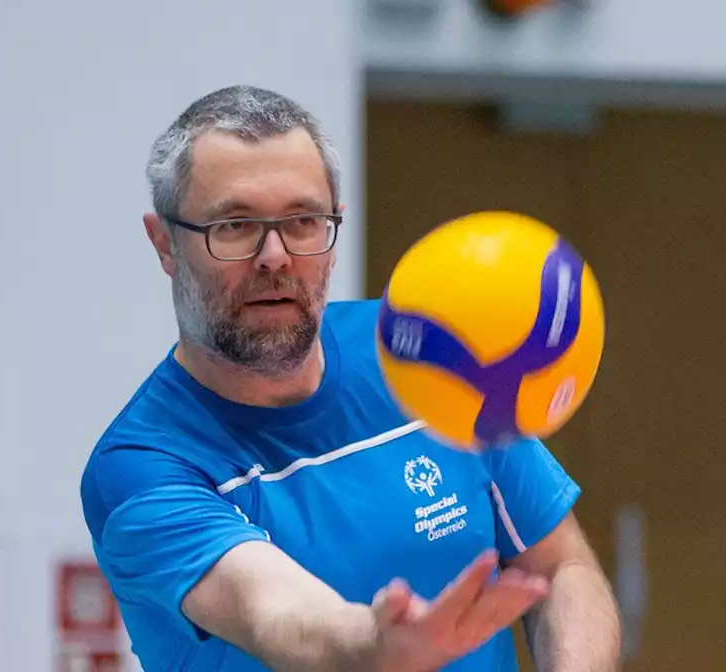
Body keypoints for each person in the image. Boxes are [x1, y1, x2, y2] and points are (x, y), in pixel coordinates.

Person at [79, 85, 621, 671]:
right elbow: (280, 615)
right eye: (234, 225)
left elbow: (560, 565)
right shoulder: (140, 467)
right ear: (165, 243)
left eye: (304, 220)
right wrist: (374, 646)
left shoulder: (420, 356)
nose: (275, 256)